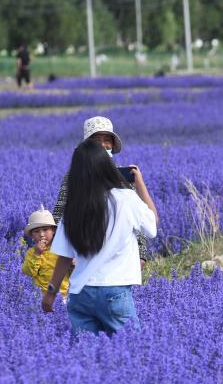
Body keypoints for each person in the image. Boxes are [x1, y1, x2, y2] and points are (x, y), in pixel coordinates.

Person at [42, 140, 158, 336]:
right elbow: (152, 226)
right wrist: (139, 184)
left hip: (80, 294)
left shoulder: (74, 205)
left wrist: (50, 294)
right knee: (131, 347)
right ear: (107, 166)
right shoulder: (126, 198)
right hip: (115, 291)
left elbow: (64, 256)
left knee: (85, 352)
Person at [52, 116, 150, 265]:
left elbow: (136, 215)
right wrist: (65, 253)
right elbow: (61, 213)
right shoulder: (74, 176)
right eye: (97, 140)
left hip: (118, 254)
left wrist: (141, 254)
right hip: (85, 252)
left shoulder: (121, 176)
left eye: (107, 140)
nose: (103, 145)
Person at [22, 208, 66, 296]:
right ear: (31, 235)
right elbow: (28, 272)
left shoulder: (62, 249)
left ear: (53, 230)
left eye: (45, 230)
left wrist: (74, 264)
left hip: (62, 295)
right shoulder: (32, 252)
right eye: (36, 231)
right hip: (41, 295)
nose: (41, 234)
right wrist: (37, 254)